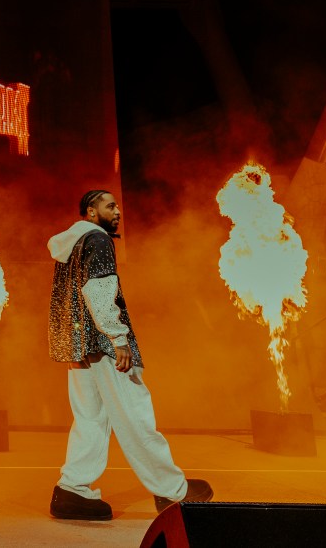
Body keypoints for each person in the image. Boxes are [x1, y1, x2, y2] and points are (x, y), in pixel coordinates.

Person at [46, 189, 213, 520]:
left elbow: (66, 300)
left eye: (117, 204)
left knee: (90, 419)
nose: (118, 210)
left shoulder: (69, 247)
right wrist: (118, 338)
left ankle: (72, 490)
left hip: (79, 347)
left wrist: (71, 344)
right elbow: (98, 289)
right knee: (135, 414)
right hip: (105, 346)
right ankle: (172, 491)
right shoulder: (97, 240)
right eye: (110, 205)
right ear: (91, 212)